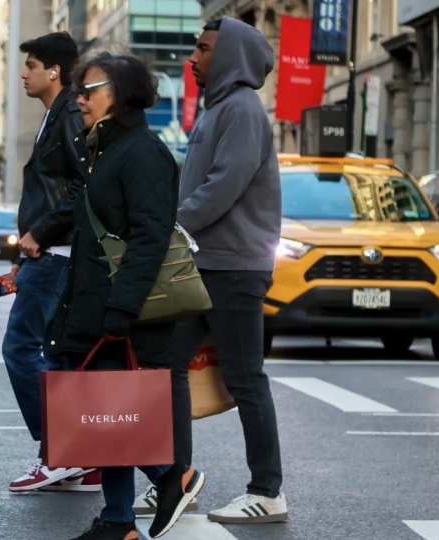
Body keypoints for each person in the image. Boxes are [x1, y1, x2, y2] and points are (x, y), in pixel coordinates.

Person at [50, 52, 203, 540]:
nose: (79, 99)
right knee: (109, 416)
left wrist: (122, 308)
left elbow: (151, 237)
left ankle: (170, 476)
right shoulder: (103, 150)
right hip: (99, 308)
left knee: (117, 418)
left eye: (87, 89)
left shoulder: (143, 153)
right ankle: (118, 521)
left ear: (118, 91)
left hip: (127, 312)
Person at [171, 17, 288, 524]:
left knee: (245, 378)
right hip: (205, 263)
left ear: (229, 55)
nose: (193, 58)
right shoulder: (215, 108)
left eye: (202, 49)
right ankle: (174, 481)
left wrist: (168, 228)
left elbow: (224, 185)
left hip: (235, 266)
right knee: (166, 367)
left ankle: (268, 491)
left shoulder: (241, 108)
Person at [0, 32, 96, 493]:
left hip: (58, 254)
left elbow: (84, 186)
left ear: (54, 71)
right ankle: (82, 458)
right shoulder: (54, 116)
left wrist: (41, 232)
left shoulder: (70, 115)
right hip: (49, 253)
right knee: (59, 357)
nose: (24, 73)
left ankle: (65, 450)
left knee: (21, 349)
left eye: (31, 65)